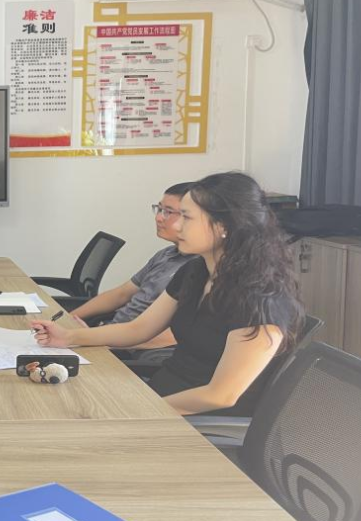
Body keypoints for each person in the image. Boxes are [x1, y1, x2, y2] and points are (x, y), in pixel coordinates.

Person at [31, 172, 303, 416]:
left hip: (195, 419)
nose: (177, 226)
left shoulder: (260, 299)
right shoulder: (195, 272)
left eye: (187, 217)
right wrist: (68, 337)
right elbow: (138, 329)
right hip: (161, 395)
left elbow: (221, 395)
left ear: (223, 226)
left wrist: (137, 411)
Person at [68, 182, 195, 350]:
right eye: (159, 209)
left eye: (168, 212)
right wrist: (68, 319)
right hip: (110, 336)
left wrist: (100, 343)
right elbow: (121, 294)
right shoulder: (166, 255)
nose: (158, 218)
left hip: (129, 351)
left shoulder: (198, 270)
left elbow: (171, 337)